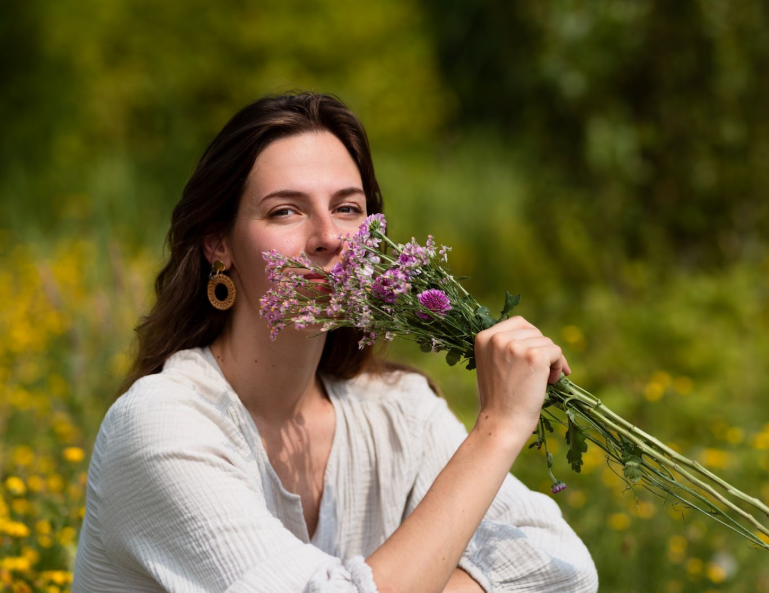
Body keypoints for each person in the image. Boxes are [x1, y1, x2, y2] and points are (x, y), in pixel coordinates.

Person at [72, 92, 598, 593]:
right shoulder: (160, 427)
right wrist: (498, 429)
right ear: (219, 244)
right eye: (285, 211)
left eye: (348, 208)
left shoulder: (399, 412)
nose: (328, 235)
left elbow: (566, 571)